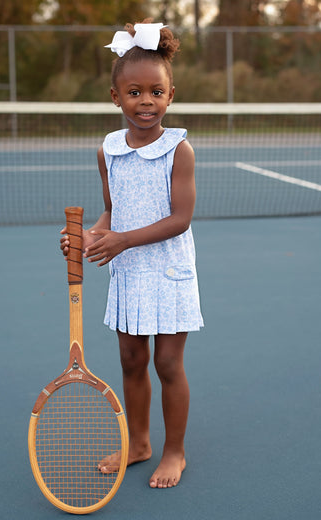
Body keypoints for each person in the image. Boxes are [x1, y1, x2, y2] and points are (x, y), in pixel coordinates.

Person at [60, 20, 203, 489]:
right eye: (135, 92)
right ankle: (138, 443)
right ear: (115, 97)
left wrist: (119, 238)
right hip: (127, 273)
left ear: (171, 94)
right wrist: (88, 236)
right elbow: (111, 210)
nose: (146, 102)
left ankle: (174, 451)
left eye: (156, 92)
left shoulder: (178, 150)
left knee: (167, 364)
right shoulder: (107, 150)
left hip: (168, 270)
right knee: (130, 361)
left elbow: (180, 219)